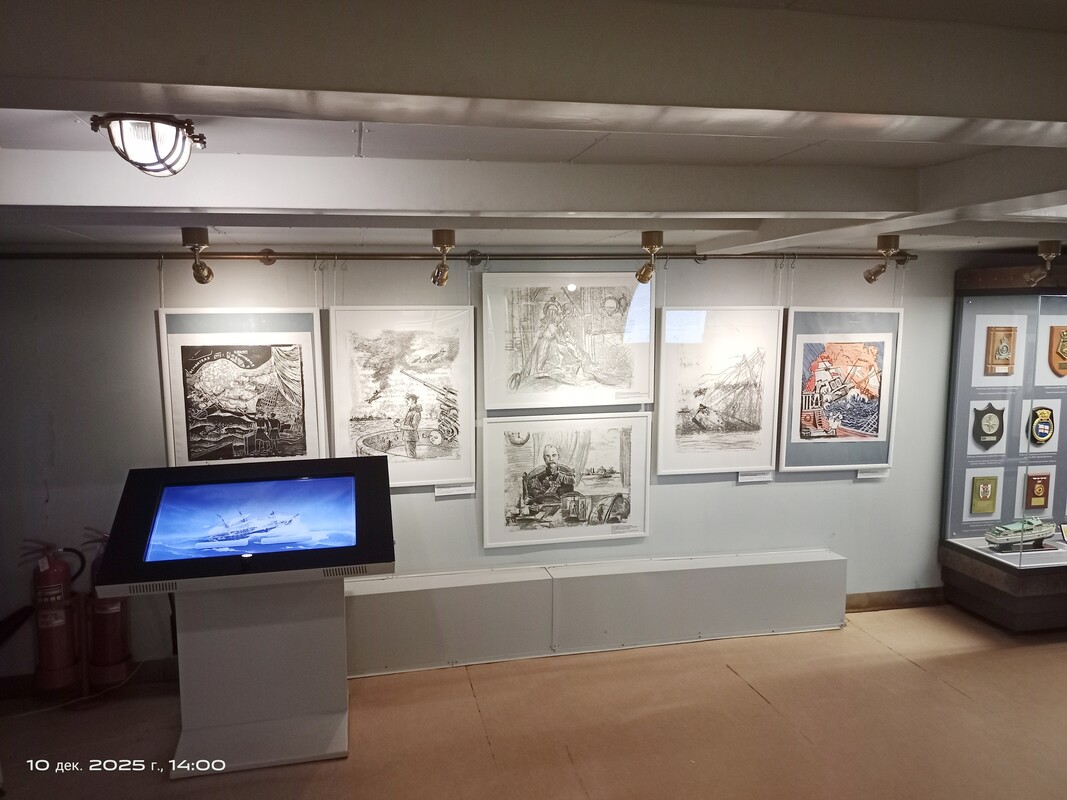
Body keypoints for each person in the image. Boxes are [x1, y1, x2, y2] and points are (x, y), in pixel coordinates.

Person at [398, 393, 422, 458]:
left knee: (411, 456)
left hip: (411, 438)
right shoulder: (411, 411)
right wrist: (400, 423)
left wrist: (401, 426)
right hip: (408, 437)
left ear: (413, 400)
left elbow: (414, 427)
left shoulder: (416, 413)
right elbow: (408, 422)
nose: (406, 401)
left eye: (408, 399)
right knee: (409, 454)